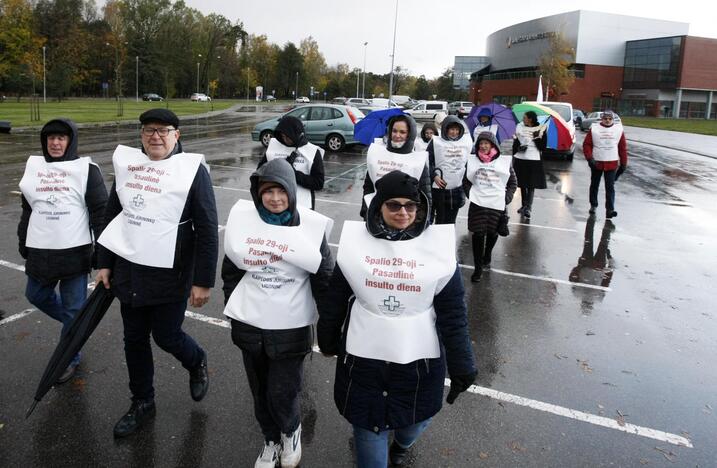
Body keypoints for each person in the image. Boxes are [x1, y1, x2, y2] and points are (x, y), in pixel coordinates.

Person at [318, 170, 477, 468]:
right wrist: (326, 338)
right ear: (379, 206)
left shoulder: (438, 250)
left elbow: (453, 313)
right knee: (370, 432)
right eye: (393, 205)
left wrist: (463, 365)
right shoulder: (357, 246)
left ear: (420, 209)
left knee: (416, 421)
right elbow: (335, 298)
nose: (403, 212)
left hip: (419, 363)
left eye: (410, 205)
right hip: (364, 361)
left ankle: (402, 444)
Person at [95, 109, 218, 438]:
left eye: (164, 130)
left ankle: (196, 361)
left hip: (171, 274)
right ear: (141, 135)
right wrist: (104, 261)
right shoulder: (130, 167)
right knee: (133, 340)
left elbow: (207, 228)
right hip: (130, 273)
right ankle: (142, 402)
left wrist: (203, 281)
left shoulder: (191, 171)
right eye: (149, 130)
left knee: (166, 335)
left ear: (176, 135)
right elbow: (112, 213)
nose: (156, 136)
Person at [221, 158, 333, 468]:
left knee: (282, 391)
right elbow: (230, 271)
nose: (274, 198)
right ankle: (270, 440)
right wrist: (234, 305)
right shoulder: (244, 224)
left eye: (281, 191)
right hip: (251, 326)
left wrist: (328, 331)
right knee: (259, 391)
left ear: (292, 193)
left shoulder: (310, 229)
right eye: (267, 191)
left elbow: (325, 279)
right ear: (258, 194)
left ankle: (290, 432)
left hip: (291, 328)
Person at [18, 118, 108, 383]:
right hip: (40, 252)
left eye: (61, 138)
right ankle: (77, 329)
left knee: (72, 309)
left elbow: (100, 211)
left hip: (74, 254)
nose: (55, 143)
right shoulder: (35, 169)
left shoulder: (86, 170)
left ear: (71, 141)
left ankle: (70, 356)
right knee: (35, 295)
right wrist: (23, 240)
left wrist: (100, 252)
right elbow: (27, 209)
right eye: (51, 138)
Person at [463, 131, 517, 282]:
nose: (484, 146)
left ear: (493, 145)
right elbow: (465, 180)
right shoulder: (472, 161)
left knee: (493, 233)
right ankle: (478, 268)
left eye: (487, 143)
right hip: (478, 203)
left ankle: (488, 253)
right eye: (481, 143)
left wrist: (507, 197)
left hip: (496, 204)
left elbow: (513, 183)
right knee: (478, 234)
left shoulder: (503, 162)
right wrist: (470, 193)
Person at [361, 114, 431, 219]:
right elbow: (368, 187)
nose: (397, 135)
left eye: (402, 132)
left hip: (405, 219)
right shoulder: (376, 155)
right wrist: (366, 211)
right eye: (394, 131)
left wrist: (420, 221)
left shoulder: (418, 161)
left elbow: (425, 195)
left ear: (409, 135)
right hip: (377, 216)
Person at [257, 115, 325, 210]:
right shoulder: (274, 147)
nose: (285, 140)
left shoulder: (312, 151)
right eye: (283, 136)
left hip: (302, 205)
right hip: (275, 204)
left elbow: (318, 183)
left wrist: (292, 174)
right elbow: (259, 171)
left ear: (297, 134)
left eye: (288, 137)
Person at [582, 110, 627, 218]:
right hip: (597, 162)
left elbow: (622, 148)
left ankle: (610, 210)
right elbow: (587, 144)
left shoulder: (618, 130)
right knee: (594, 185)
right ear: (602, 119)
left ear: (612, 119)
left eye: (610, 119)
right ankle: (593, 205)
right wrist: (589, 158)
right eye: (605, 118)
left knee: (610, 187)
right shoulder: (594, 129)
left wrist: (624, 163)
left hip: (611, 162)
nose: (607, 121)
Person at [427, 115, 472, 224]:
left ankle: (449, 239)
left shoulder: (465, 143)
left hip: (456, 189)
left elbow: (472, 161)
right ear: (445, 129)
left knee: (451, 221)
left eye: (457, 129)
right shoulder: (436, 142)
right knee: (440, 220)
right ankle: (439, 240)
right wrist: (434, 176)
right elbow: (427, 161)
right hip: (440, 188)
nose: (454, 132)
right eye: (452, 129)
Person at [511, 111, 547, 219]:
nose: (523, 119)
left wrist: (536, 137)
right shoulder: (520, 127)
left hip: (533, 159)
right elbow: (516, 141)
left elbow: (543, 147)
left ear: (531, 119)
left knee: (531, 184)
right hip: (521, 158)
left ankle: (528, 207)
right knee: (522, 183)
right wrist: (518, 147)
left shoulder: (540, 129)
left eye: (525, 117)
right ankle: (523, 205)